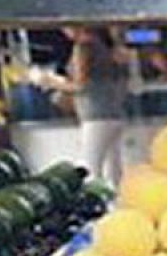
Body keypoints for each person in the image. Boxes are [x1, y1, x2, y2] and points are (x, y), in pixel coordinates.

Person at [41, 27, 130, 182]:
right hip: (114, 113)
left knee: (88, 167)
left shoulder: (82, 47)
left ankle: (96, 201)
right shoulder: (103, 46)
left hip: (96, 115)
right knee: (113, 169)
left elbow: (80, 85)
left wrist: (50, 82)